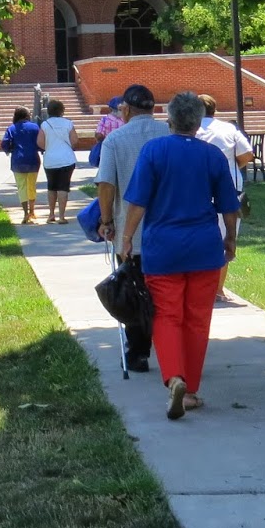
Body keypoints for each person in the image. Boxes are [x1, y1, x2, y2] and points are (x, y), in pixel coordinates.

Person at [119, 91, 240, 420]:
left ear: (169, 119)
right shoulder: (213, 156)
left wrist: (126, 238)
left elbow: (138, 202)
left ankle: (174, 378)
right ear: (199, 122)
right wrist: (230, 238)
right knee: (198, 319)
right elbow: (229, 205)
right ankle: (192, 390)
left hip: (163, 249)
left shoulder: (154, 151)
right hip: (204, 247)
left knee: (167, 315)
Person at [95, 84, 169, 371]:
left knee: (134, 292)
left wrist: (106, 221)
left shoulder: (115, 140)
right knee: (165, 293)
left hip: (131, 234)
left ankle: (138, 352)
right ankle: (169, 349)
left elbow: (106, 184)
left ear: (125, 109)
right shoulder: (169, 134)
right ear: (154, 109)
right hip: (166, 230)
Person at [198, 94, 255, 301]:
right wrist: (232, 167)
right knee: (226, 238)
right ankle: (218, 289)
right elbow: (248, 154)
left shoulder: (192, 129)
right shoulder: (228, 129)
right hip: (230, 188)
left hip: (200, 190)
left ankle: (202, 287)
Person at [37, 98, 78, 224]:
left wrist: (49, 148)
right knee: (63, 188)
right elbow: (75, 141)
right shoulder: (68, 123)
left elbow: (40, 142)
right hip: (66, 159)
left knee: (51, 187)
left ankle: (51, 214)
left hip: (50, 160)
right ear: (62, 111)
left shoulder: (45, 125)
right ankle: (62, 216)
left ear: (48, 111)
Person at [1, 107, 42, 224]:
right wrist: (39, 148)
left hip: (18, 160)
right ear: (26, 115)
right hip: (33, 159)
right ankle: (32, 211)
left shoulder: (11, 128)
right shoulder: (35, 127)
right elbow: (40, 142)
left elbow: (4, 143)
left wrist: (9, 150)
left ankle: (25, 213)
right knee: (32, 186)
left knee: (21, 187)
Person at [90, 96, 123, 168]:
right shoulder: (126, 120)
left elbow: (98, 135)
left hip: (108, 152)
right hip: (123, 151)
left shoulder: (105, 120)